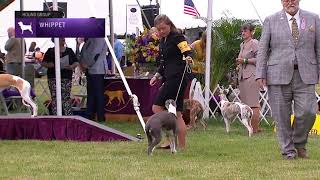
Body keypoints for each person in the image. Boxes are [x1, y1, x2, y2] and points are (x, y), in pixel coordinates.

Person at [256, 0, 320, 160]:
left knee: (309, 111)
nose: (290, 1)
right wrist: (260, 73)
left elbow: (319, 48)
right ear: (281, 1)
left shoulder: (313, 18)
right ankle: (288, 151)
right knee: (281, 116)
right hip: (277, 74)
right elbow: (263, 49)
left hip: (306, 74)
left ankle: (298, 143)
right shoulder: (270, 20)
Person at [149, 14, 193, 149]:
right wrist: (156, 75)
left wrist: (188, 58)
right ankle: (181, 146)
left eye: (164, 28)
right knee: (177, 113)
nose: (161, 31)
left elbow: (187, 50)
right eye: (159, 29)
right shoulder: (163, 40)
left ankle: (169, 140)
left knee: (157, 108)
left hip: (177, 79)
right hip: (168, 77)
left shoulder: (177, 37)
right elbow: (163, 62)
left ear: (170, 25)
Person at [42, 38, 79, 115]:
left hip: (66, 77)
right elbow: (44, 63)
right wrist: (50, 65)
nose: (63, 39)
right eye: (61, 38)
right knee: (55, 98)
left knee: (66, 97)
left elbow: (76, 62)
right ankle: (56, 116)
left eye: (63, 38)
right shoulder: (50, 51)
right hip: (53, 77)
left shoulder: (69, 50)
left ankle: (68, 116)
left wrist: (72, 66)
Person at [236, 23, 261, 134]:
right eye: (242, 31)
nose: (243, 33)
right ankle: (249, 128)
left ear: (251, 32)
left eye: (245, 31)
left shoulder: (254, 43)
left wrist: (245, 61)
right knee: (245, 104)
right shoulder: (242, 44)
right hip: (242, 76)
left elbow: (260, 59)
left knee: (253, 104)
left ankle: (255, 129)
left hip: (252, 76)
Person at [80, 38, 107, 122]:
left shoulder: (98, 39)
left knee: (97, 94)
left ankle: (99, 116)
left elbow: (95, 54)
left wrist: (86, 64)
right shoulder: (92, 39)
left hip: (96, 69)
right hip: (91, 69)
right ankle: (90, 115)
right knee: (91, 94)